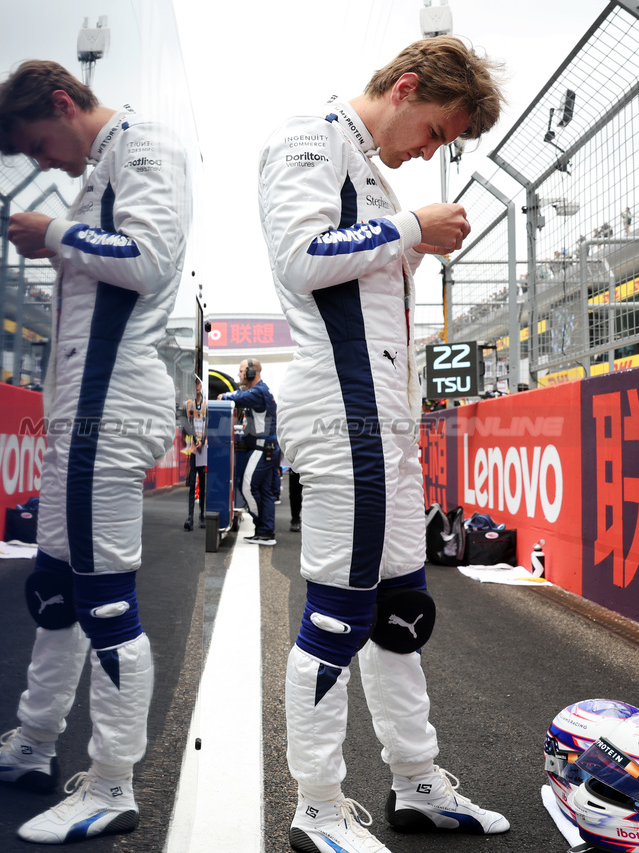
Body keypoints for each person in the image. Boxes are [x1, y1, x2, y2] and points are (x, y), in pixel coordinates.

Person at [257, 36, 510, 852]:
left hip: (388, 426)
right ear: (405, 89)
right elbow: (298, 260)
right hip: (343, 418)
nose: (430, 151)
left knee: (401, 611)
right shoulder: (311, 136)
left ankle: (416, 780)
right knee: (336, 615)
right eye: (436, 132)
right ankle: (318, 805)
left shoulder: (363, 164)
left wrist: (405, 230)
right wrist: (409, 227)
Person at [0, 60, 191, 844]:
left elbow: (151, 260)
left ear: (64, 103)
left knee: (106, 601)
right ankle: (33, 742)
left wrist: (54, 234)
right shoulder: (105, 166)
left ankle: (115, 782)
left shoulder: (145, 145)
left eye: (39, 143)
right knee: (55, 587)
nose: (44, 161)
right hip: (78, 410)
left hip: (112, 407)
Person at [218, 358, 279, 545]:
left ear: (251, 373)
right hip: (267, 448)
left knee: (247, 488)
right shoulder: (261, 391)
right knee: (264, 490)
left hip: (262, 448)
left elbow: (238, 397)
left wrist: (223, 397)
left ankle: (261, 525)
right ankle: (265, 531)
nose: (239, 374)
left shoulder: (258, 392)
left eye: (241, 370)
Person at [183, 377, 208, 531]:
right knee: (192, 483)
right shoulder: (188, 405)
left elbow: (208, 425)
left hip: (203, 448)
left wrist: (202, 440)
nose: (196, 387)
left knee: (202, 482)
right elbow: (187, 426)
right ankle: (190, 517)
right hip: (193, 448)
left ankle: (202, 515)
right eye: (194, 384)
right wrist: (195, 440)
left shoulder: (206, 405)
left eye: (198, 384)